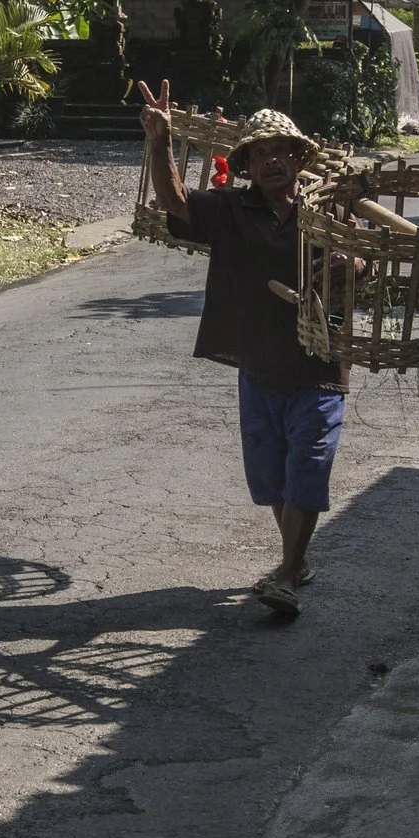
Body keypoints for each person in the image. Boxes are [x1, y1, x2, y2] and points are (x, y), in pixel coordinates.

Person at [140, 82, 348, 617]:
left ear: (300, 159)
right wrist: (160, 142)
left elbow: (364, 261)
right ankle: (297, 561)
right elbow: (174, 204)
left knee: (309, 463)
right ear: (247, 165)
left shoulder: (327, 211)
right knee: (272, 475)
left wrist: (352, 267)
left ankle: (285, 572)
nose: (274, 160)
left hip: (318, 364)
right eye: (261, 153)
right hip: (257, 364)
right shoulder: (231, 211)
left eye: (283, 151)